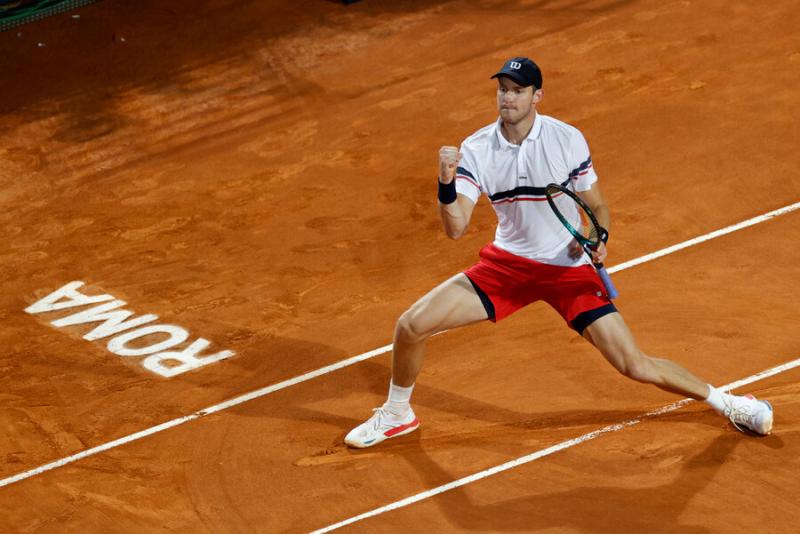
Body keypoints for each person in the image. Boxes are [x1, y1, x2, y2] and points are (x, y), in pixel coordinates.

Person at [344, 57, 773, 448]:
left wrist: (599, 236)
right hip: (508, 267)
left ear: (537, 96)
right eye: (502, 90)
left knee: (634, 365)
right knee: (411, 325)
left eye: (517, 90)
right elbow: (455, 228)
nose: (507, 98)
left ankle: (729, 402)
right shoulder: (476, 148)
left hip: (567, 268)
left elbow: (598, 206)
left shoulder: (566, 139)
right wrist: (445, 183)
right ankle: (397, 414)